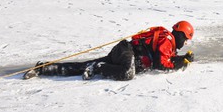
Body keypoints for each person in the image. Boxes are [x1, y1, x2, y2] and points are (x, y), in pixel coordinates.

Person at [23, 21, 195, 81]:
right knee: (127, 74)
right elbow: (160, 63)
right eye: (186, 39)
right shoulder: (168, 40)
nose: (185, 43)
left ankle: (43, 68)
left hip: (124, 53)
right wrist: (179, 64)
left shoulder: (169, 43)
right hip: (126, 52)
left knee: (81, 66)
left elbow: (165, 58)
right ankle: (98, 68)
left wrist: (181, 59)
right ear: (180, 34)